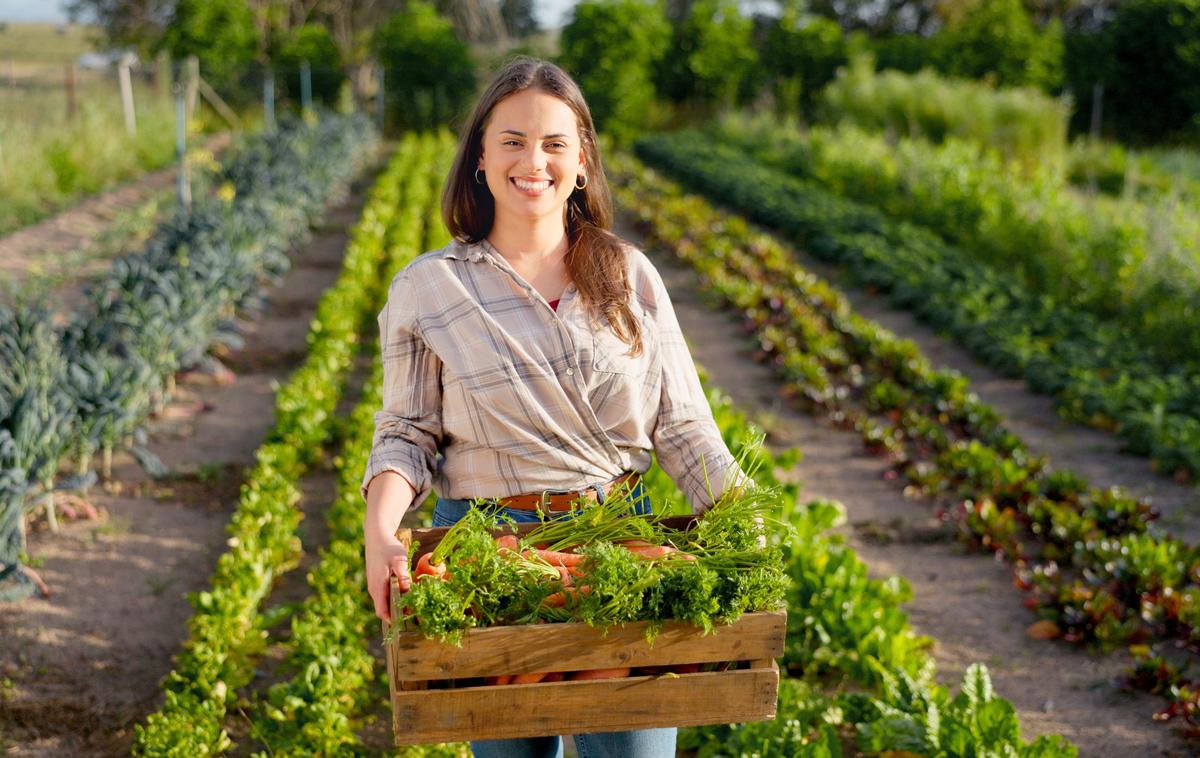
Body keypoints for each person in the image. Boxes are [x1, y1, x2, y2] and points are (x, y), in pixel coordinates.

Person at [361, 57, 748, 758]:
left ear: (581, 161)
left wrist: (742, 515)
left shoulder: (628, 275)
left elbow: (683, 425)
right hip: (485, 552)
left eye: (553, 143)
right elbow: (405, 434)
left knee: (634, 751)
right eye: (511, 140)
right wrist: (381, 529)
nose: (531, 161)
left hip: (618, 546)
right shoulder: (431, 287)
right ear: (480, 157)